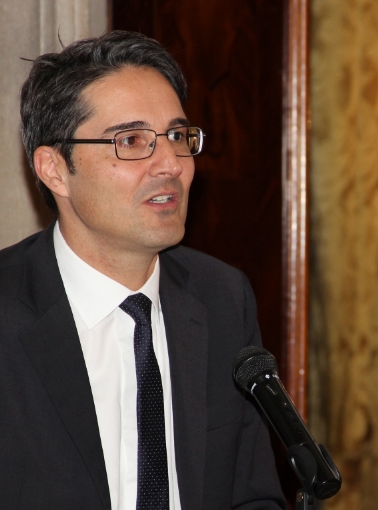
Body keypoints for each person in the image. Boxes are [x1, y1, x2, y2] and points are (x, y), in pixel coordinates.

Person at [0, 31, 286, 509]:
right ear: (54, 169)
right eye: (132, 141)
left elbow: (252, 495)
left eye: (177, 136)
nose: (170, 164)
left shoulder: (221, 297)